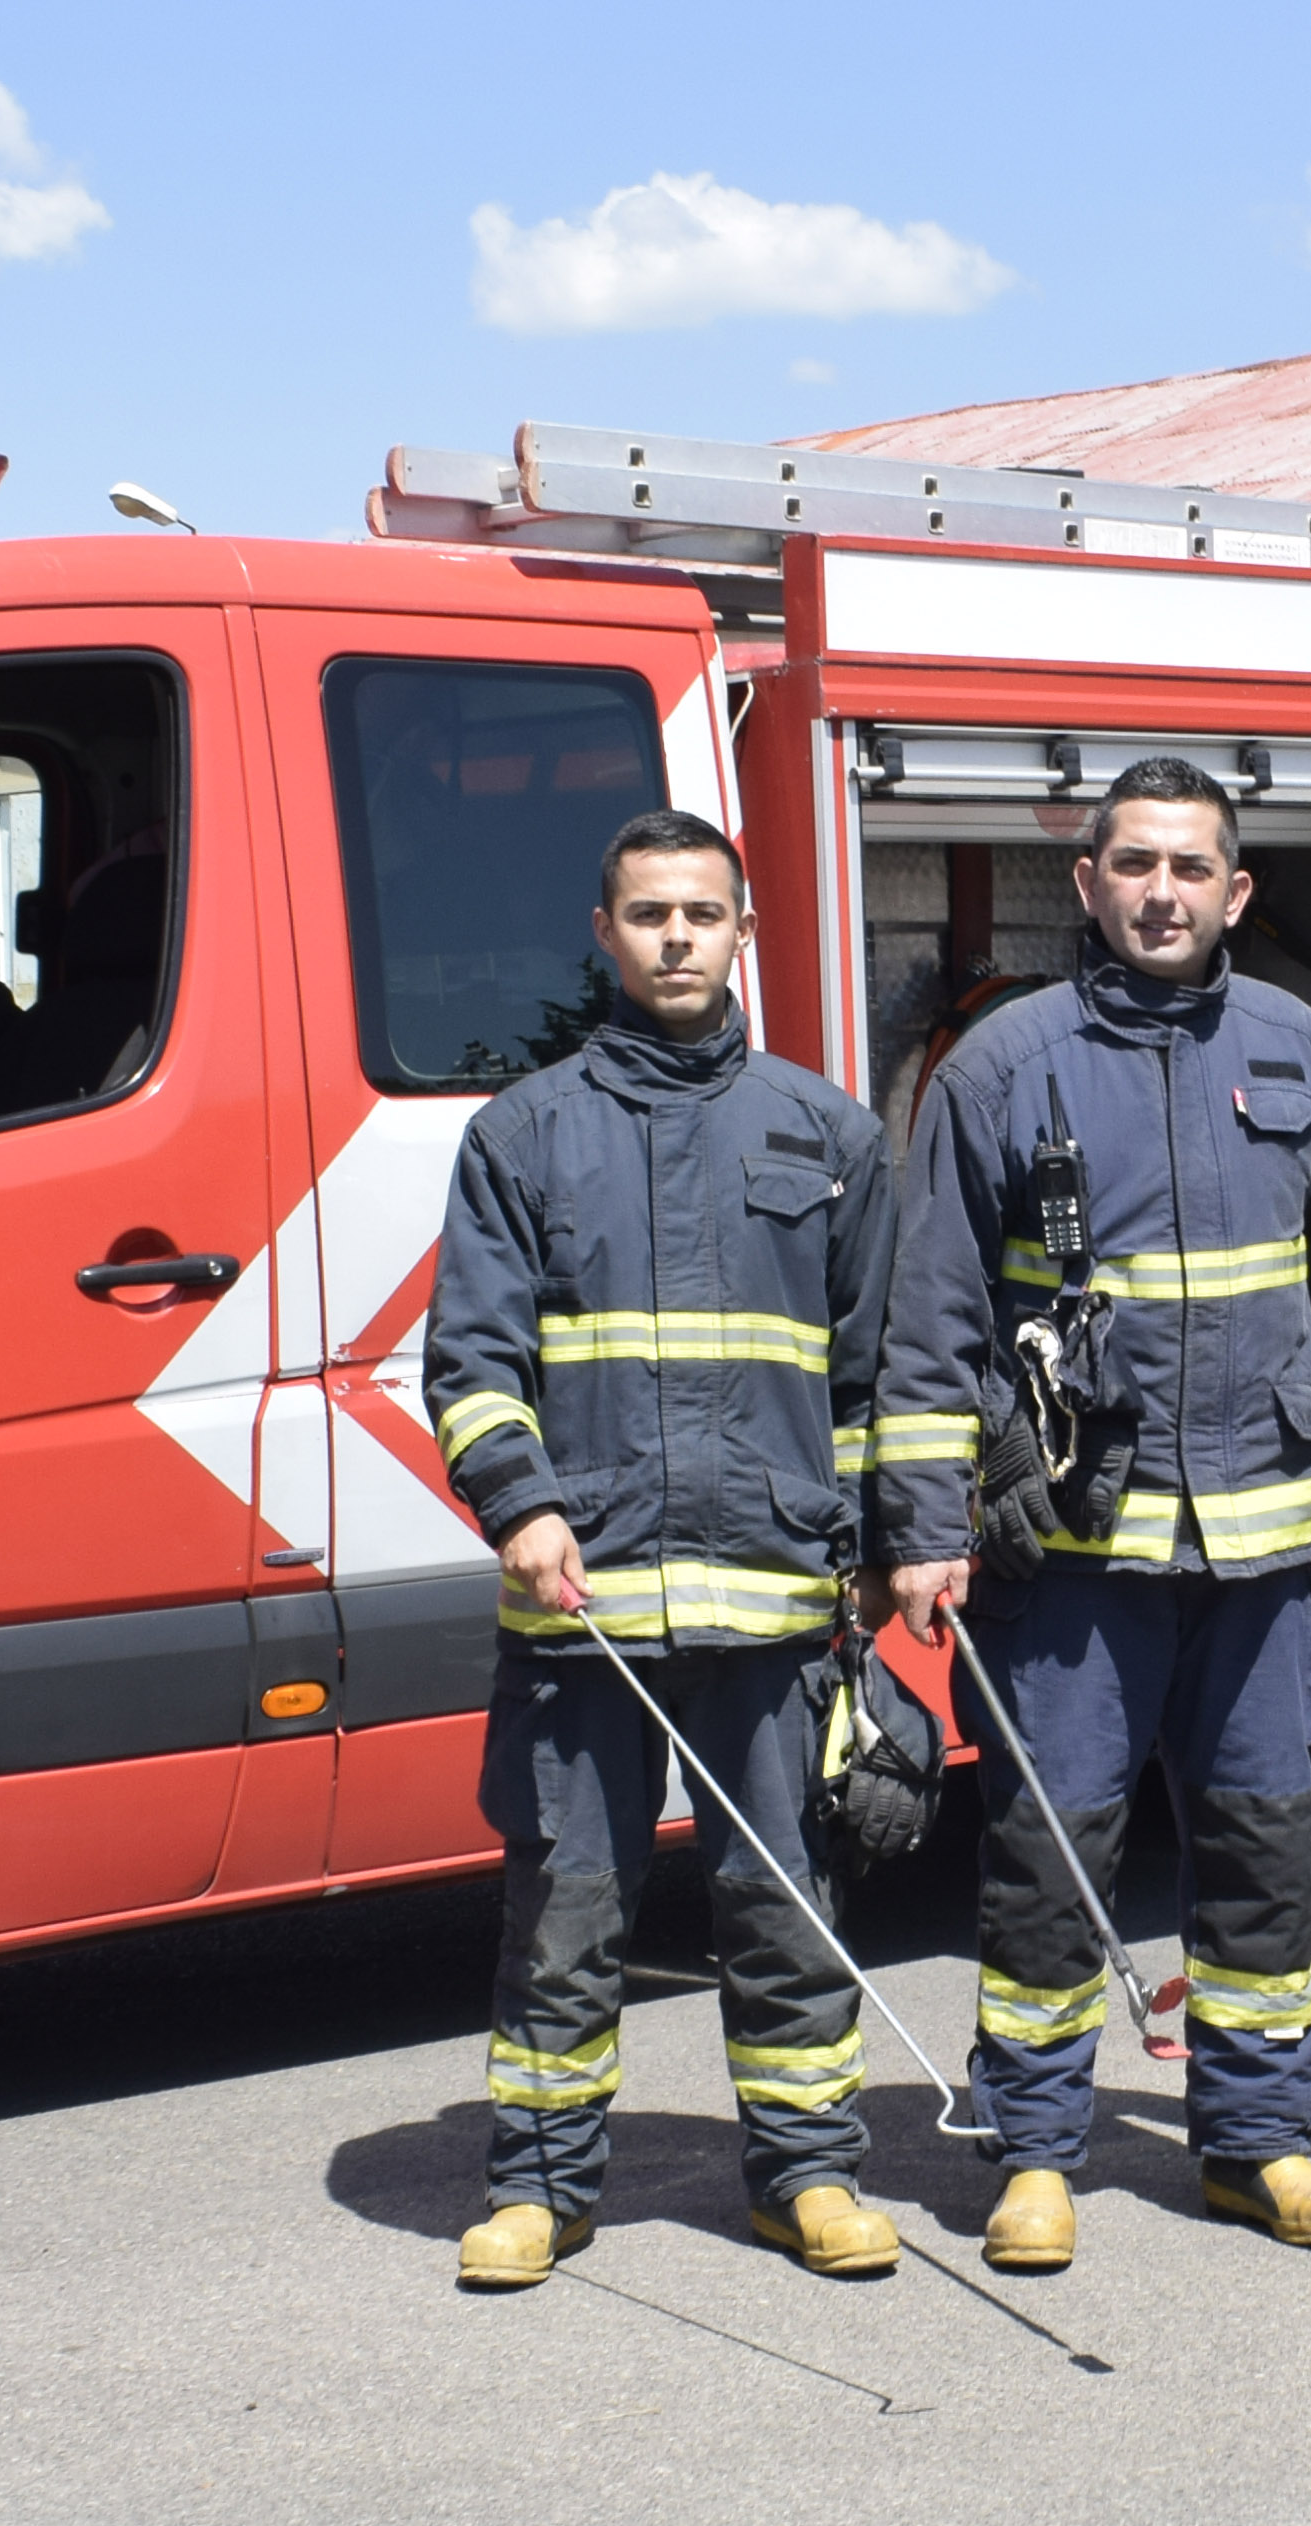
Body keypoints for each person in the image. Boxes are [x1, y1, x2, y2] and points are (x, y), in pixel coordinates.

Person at [874, 758, 1311, 2272]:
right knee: (1048, 1855)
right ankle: (1034, 2153)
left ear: (1236, 892)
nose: (1162, 893)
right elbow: (931, 1318)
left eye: (1191, 868)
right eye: (1134, 863)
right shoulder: (1004, 1068)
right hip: (1070, 1562)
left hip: (1258, 1555)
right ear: (1088, 883)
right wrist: (922, 1524)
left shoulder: (1301, 1054)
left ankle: (1259, 2143)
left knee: (1263, 1851)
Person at [426, 810, 900, 2290]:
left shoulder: (828, 1133)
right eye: (649, 913)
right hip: (589, 1609)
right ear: (605, 933)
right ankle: (539, 2188)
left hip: (772, 1607)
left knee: (785, 1906)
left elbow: (874, 1379)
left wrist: (875, 1556)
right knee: (565, 1913)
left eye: (703, 912)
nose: (677, 936)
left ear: (745, 931)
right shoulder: (522, 1135)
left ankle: (808, 2177)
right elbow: (470, 1362)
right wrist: (520, 1505)